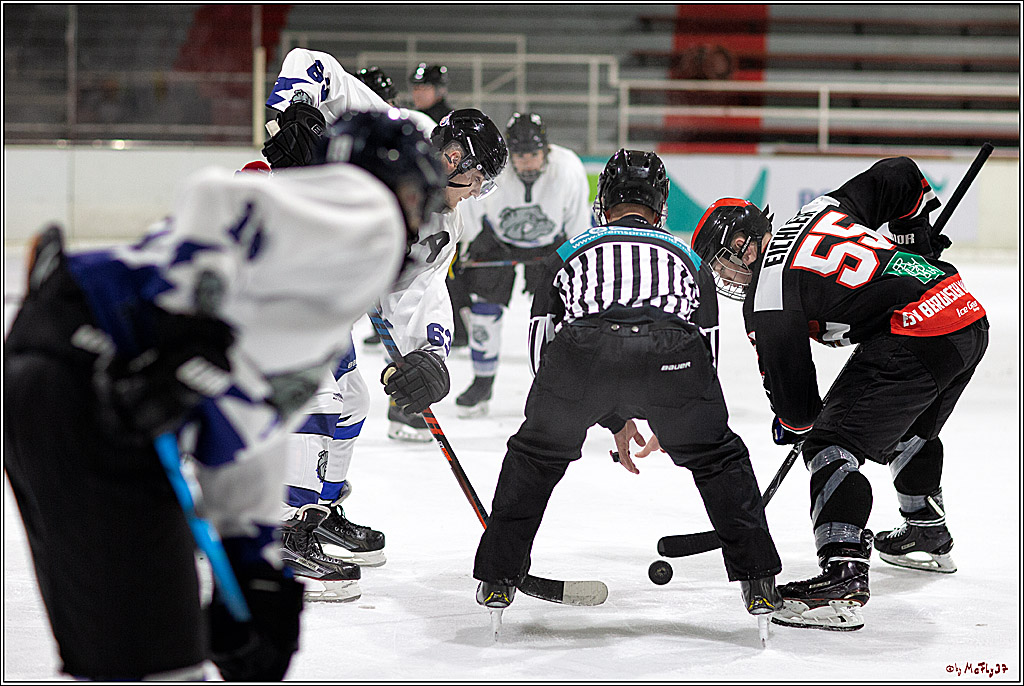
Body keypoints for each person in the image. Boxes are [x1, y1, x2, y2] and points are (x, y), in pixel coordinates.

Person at [2, 111, 441, 679]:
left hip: (63, 365)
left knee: (119, 651)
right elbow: (218, 199)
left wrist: (253, 561)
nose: (414, 220)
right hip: (85, 370)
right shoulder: (370, 221)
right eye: (414, 198)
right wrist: (183, 332)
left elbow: (254, 418)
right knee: (153, 656)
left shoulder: (296, 292)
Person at [472, 149, 784, 628]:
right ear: (661, 205)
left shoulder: (568, 251)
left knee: (533, 457)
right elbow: (709, 353)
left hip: (582, 355)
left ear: (605, 201)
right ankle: (758, 582)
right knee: (720, 459)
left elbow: (542, 351)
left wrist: (588, 411)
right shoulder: (686, 255)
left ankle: (498, 576)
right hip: (673, 360)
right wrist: (681, 415)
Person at [690, 156, 989, 632]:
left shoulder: (766, 290)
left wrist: (795, 425)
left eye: (722, 259)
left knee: (829, 446)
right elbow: (899, 173)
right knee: (904, 427)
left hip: (917, 334)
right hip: (963, 314)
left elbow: (795, 400)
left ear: (743, 244)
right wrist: (915, 237)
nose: (723, 274)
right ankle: (925, 531)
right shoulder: (819, 210)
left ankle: (843, 576)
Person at [454, 112, 591, 417]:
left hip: (550, 245)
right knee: (484, 312)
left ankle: (554, 385)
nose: (526, 162)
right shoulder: (494, 167)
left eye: (533, 154)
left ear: (547, 150)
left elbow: (578, 222)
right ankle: (482, 382)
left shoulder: (568, 169)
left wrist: (576, 258)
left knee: (556, 315)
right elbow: (472, 204)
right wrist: (468, 244)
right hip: (498, 242)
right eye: (520, 155)